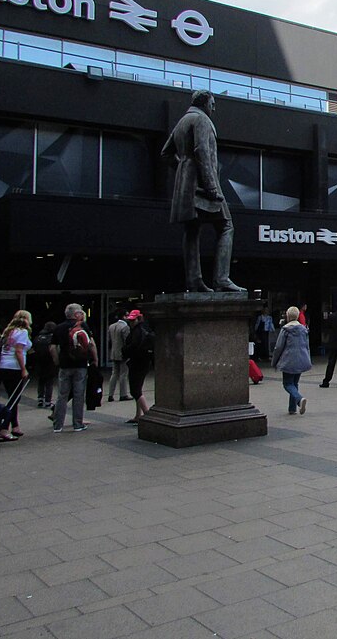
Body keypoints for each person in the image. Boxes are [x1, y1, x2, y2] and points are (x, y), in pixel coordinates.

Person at [161, 89, 245, 293]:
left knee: (192, 230)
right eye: (212, 103)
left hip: (186, 186)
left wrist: (183, 170)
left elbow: (166, 154)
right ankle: (222, 278)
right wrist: (211, 186)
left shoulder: (182, 122)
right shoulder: (201, 120)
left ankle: (194, 280)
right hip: (203, 185)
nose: (214, 107)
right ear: (204, 103)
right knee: (226, 226)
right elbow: (202, 152)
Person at [50, 303, 98, 432]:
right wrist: (95, 359)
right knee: (78, 394)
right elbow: (91, 344)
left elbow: (53, 347)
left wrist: (57, 361)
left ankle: (57, 425)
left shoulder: (59, 328)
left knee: (62, 395)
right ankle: (78, 423)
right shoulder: (83, 326)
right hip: (80, 365)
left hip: (65, 365)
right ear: (76, 314)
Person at [0, 310, 32, 441]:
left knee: (12, 397)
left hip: (3, 366)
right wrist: (23, 369)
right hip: (14, 367)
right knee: (14, 399)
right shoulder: (23, 332)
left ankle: (15, 426)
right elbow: (19, 351)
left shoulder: (8, 331)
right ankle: (4, 428)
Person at [271, 306, 312, 413]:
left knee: (287, 384)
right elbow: (307, 346)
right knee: (295, 383)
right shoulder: (304, 330)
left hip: (288, 361)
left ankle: (299, 399)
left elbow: (278, 347)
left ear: (288, 316)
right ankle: (292, 408)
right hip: (301, 359)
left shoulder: (285, 330)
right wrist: (308, 359)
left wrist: (274, 361)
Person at [123, 309, 153, 423]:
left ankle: (146, 413)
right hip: (142, 362)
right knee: (137, 389)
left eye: (132, 320)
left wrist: (125, 350)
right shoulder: (142, 330)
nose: (130, 322)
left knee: (135, 390)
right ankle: (139, 415)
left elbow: (133, 347)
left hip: (138, 362)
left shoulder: (137, 332)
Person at [106, 312, 131, 402]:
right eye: (127, 315)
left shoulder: (111, 326)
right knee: (123, 374)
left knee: (114, 373)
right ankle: (123, 394)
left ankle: (110, 394)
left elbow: (110, 340)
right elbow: (126, 341)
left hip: (114, 352)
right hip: (122, 353)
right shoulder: (125, 327)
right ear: (124, 316)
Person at [32, 321, 57, 409]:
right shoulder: (53, 338)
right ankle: (47, 401)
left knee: (41, 381)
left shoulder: (38, 337)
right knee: (49, 382)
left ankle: (40, 399)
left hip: (39, 362)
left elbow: (32, 349)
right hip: (50, 362)